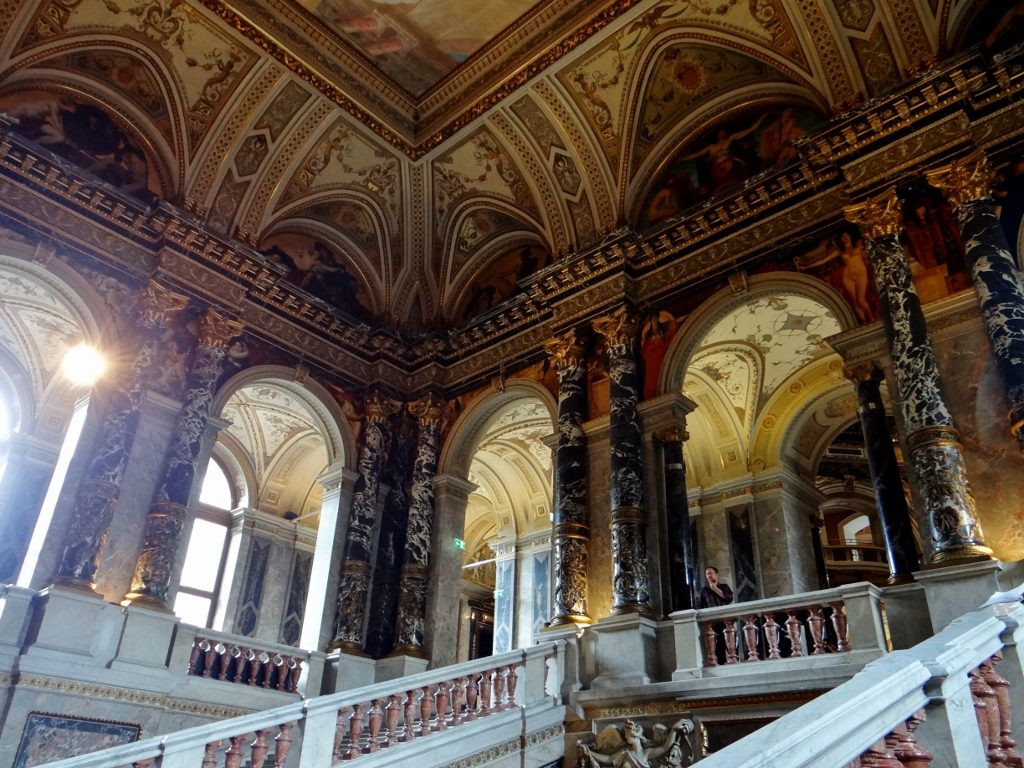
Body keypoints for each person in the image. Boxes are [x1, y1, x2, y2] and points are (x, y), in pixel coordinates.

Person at [578, 718, 693, 768]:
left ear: (636, 736)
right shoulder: (624, 752)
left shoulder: (646, 753)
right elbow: (608, 758)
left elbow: (665, 747)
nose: (625, 736)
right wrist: (590, 752)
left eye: (627, 734)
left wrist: (673, 730)